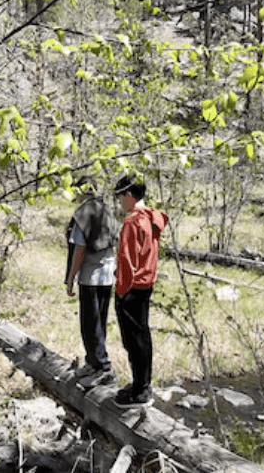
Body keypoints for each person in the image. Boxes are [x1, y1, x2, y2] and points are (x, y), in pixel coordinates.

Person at [112, 174, 168, 407]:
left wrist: (121, 290)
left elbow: (126, 259)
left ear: (128, 195)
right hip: (147, 283)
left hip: (132, 286)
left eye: (120, 197)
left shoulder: (134, 221)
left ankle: (141, 391)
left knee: (133, 339)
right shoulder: (152, 216)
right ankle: (141, 383)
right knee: (142, 336)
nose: (119, 203)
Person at [65, 175, 119, 389]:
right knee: (98, 323)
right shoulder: (105, 209)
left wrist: (70, 278)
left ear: (82, 190)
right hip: (107, 275)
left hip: (91, 276)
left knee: (90, 324)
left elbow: (79, 250)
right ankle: (92, 362)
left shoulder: (84, 214)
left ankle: (104, 369)